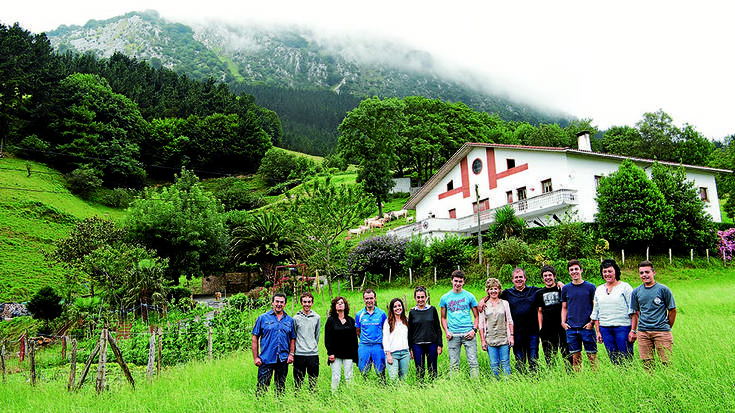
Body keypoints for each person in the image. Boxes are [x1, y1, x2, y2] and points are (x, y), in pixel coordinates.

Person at [629, 260, 677, 370]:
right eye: (641, 273)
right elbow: (635, 313)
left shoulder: (663, 290)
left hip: (661, 331)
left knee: (666, 363)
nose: (644, 275)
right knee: (647, 363)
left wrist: (667, 327)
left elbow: (672, 310)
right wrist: (634, 330)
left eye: (647, 272)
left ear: (653, 273)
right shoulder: (636, 292)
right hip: (643, 332)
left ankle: (667, 382)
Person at [591, 259, 634, 364]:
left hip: (623, 327)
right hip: (605, 329)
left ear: (616, 271)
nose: (607, 274)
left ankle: (628, 378)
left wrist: (633, 330)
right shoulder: (599, 289)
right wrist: (598, 332)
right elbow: (596, 312)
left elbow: (633, 310)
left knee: (626, 357)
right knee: (613, 358)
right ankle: (618, 378)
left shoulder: (625, 287)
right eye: (604, 272)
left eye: (610, 271)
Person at [251, 292, 295, 397]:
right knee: (262, 387)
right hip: (266, 359)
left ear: (285, 304)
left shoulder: (290, 320)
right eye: (277, 302)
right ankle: (261, 407)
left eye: (282, 302)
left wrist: (291, 354)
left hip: (283, 359)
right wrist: (256, 357)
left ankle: (279, 407)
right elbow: (255, 337)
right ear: (272, 302)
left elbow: (292, 338)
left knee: (280, 387)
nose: (279, 304)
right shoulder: (263, 318)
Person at [440, 269, 479, 378]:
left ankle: (475, 384)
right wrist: (446, 331)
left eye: (460, 281)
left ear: (463, 282)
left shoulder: (470, 296)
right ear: (451, 281)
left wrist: (474, 330)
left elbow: (477, 316)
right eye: (456, 281)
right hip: (453, 335)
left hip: (468, 333)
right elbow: (443, 317)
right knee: (453, 364)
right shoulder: (445, 298)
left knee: (473, 362)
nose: (458, 283)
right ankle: (455, 384)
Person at [561, 259, 598, 371]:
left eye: (576, 269)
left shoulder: (590, 287)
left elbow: (595, 307)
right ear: (569, 272)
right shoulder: (566, 289)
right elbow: (564, 307)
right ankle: (579, 380)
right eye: (571, 270)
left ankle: (596, 379)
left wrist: (591, 323)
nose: (574, 272)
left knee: (592, 357)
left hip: (587, 328)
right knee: (575, 358)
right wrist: (563, 322)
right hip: (571, 328)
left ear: (581, 270)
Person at [533, 265, 572, 368]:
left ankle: (570, 373)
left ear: (554, 276)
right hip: (547, 329)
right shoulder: (539, 293)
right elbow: (540, 311)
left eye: (550, 275)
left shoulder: (562, 289)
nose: (548, 277)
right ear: (542, 278)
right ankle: (552, 373)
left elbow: (569, 303)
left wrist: (563, 286)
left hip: (562, 327)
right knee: (549, 355)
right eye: (545, 275)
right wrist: (541, 328)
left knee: (567, 353)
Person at [478, 277, 514, 377]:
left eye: (495, 288)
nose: (493, 291)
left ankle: (507, 385)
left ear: (499, 290)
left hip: (504, 339)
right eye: (491, 289)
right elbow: (481, 324)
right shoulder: (484, 305)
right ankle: (496, 384)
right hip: (490, 339)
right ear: (488, 291)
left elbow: (510, 320)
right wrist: (482, 341)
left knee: (505, 363)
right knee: (494, 365)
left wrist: (511, 336)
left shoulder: (505, 303)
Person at [324, 296, 359, 392]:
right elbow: (327, 338)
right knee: (336, 377)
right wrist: (330, 353)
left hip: (349, 354)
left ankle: (350, 395)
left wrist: (355, 355)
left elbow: (354, 339)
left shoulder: (351, 321)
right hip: (335, 354)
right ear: (334, 306)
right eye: (337, 303)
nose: (340, 304)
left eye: (342, 303)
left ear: (345, 305)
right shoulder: (330, 321)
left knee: (349, 376)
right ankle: (334, 395)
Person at [408, 286, 442, 381]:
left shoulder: (432, 310)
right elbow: (410, 331)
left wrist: (440, 344)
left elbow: (437, 328)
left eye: (422, 297)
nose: (420, 300)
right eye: (418, 297)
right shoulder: (412, 312)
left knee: (432, 369)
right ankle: (420, 387)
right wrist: (410, 348)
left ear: (426, 297)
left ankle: (433, 386)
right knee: (419, 369)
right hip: (417, 345)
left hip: (432, 343)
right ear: (415, 298)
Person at [355, 289, 387, 378]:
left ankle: (382, 388)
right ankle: (365, 388)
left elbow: (386, 329)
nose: (369, 301)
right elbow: (358, 330)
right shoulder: (359, 314)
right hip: (364, 346)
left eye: (371, 298)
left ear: (375, 299)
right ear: (363, 299)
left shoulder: (382, 314)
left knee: (381, 372)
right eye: (367, 298)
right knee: (363, 372)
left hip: (378, 346)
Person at [292, 291, 320, 391]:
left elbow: (316, 335)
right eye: (304, 302)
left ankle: (312, 400)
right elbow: (293, 336)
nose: (307, 304)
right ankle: (298, 400)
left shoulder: (317, 318)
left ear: (312, 303)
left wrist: (313, 346)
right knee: (298, 382)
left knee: (313, 382)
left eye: (309, 302)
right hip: (299, 354)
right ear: (301, 303)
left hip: (313, 354)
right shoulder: (295, 318)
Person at [383, 297, 411, 380]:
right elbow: (385, 338)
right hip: (392, 353)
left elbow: (409, 337)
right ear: (392, 309)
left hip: (405, 353)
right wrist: (388, 354)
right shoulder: (388, 322)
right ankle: (394, 392)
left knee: (404, 378)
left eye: (399, 306)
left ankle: (402, 392)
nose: (398, 308)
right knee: (393, 378)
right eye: (395, 306)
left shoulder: (406, 320)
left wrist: (410, 350)